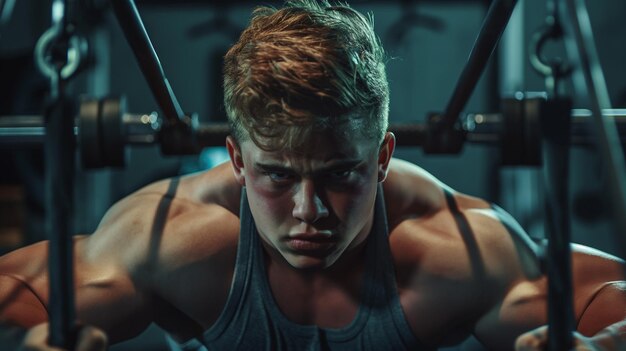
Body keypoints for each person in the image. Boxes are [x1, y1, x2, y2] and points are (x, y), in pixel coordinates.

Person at [1, 0, 625, 350]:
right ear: (237, 161)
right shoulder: (177, 241)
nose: (310, 211)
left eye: (339, 174)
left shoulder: (453, 251)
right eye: (276, 176)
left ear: (382, 157)